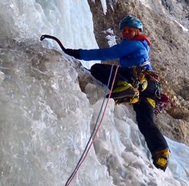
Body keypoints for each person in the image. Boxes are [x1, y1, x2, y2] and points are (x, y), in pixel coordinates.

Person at [64, 15, 170, 171]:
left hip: (138, 80)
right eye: (124, 30)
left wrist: (76, 53)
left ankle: (124, 88)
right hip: (150, 90)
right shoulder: (142, 46)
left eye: (130, 30)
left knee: (97, 68)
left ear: (137, 31)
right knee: (146, 122)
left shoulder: (133, 44)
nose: (126, 33)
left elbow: (104, 54)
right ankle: (160, 153)